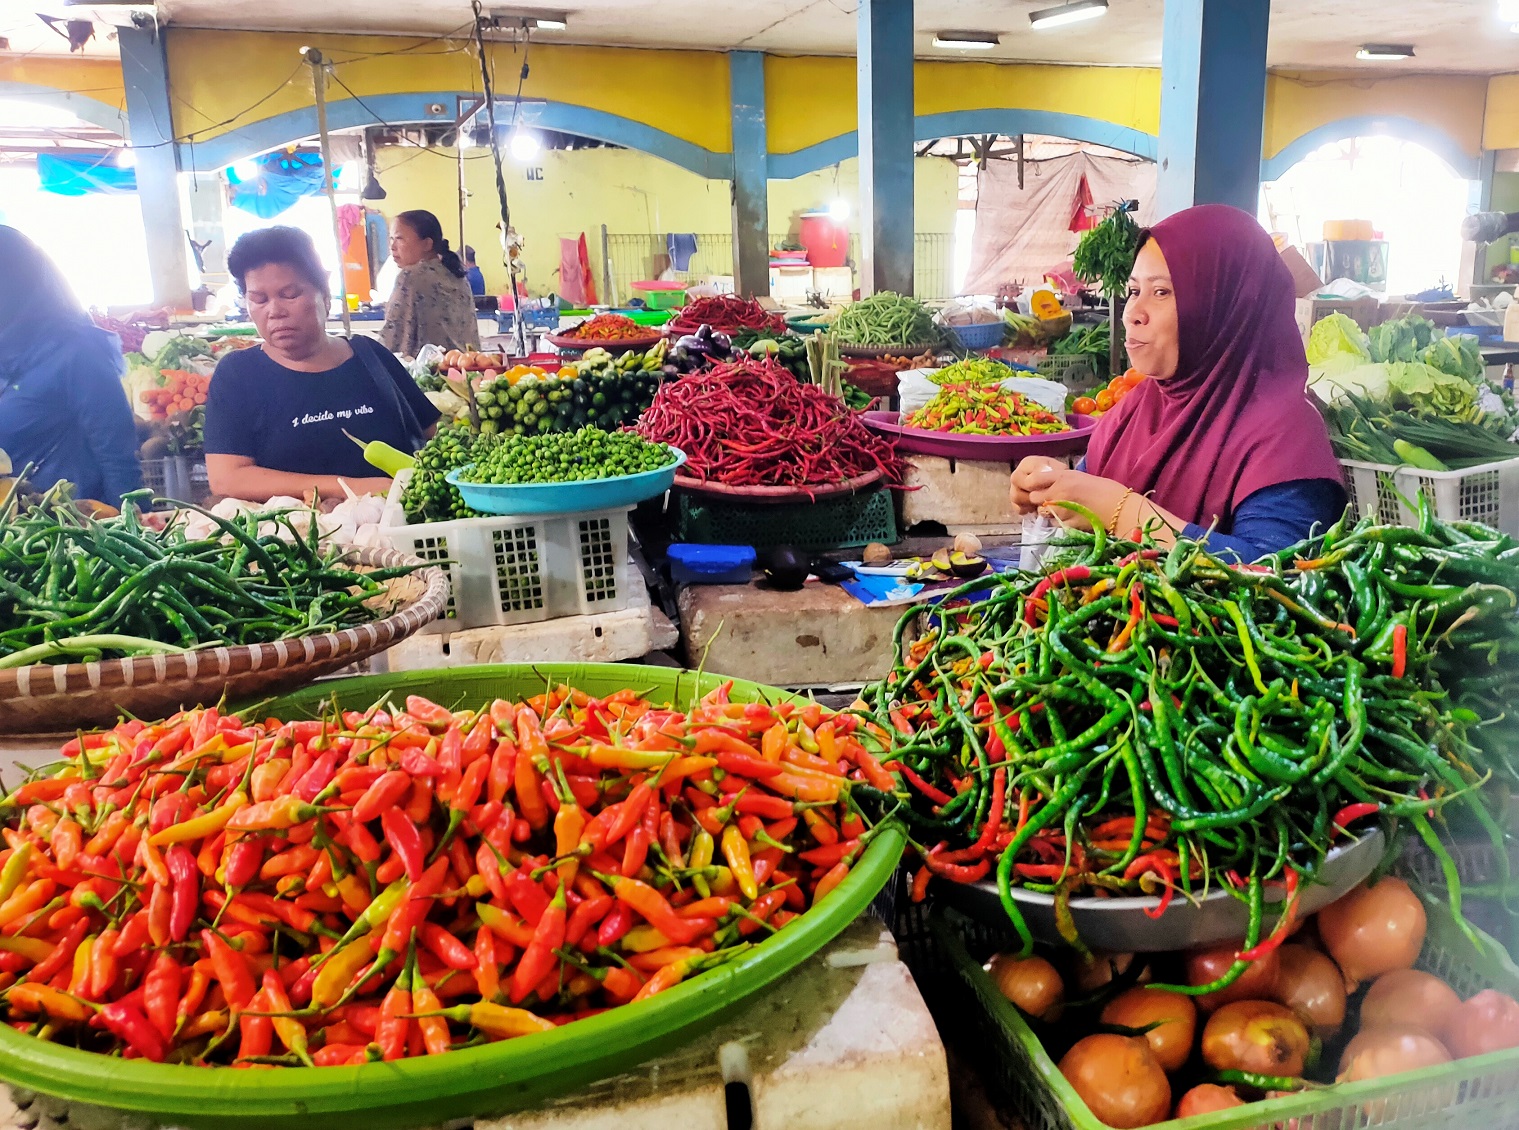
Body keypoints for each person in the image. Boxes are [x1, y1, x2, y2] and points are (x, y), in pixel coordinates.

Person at [1011, 204, 1345, 561]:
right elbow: (1092, 485)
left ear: (1226, 305)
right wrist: (1054, 485)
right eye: (1134, 290)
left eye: (1161, 292)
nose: (1133, 314)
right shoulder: (1135, 410)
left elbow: (1280, 575)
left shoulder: (1285, 434)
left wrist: (1126, 515)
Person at [205, 226, 439, 502]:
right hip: (295, 537)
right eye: (259, 299)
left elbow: (432, 438)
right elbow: (227, 477)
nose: (275, 311)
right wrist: (348, 487)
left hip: (398, 530)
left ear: (325, 297)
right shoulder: (239, 375)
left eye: (290, 294)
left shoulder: (371, 357)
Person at [0, 226, 141, 506]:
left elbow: (117, 455)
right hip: (10, 531)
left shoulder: (76, 350)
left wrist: (129, 529)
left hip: (67, 530)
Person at [379, 210, 479, 356]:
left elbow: (391, 336)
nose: (392, 246)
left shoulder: (411, 277)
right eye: (391, 239)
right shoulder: (457, 275)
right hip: (466, 369)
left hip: (429, 374)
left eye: (400, 239)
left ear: (427, 244)